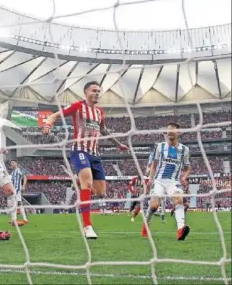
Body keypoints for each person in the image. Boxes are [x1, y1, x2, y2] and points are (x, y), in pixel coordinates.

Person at [43, 81, 128, 239]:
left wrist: (118, 145)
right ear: (86, 92)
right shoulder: (77, 107)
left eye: (98, 91)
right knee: (87, 184)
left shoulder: (100, 112)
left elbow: (103, 130)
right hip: (79, 150)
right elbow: (56, 115)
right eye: (94, 90)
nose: (97, 93)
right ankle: (87, 226)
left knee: (100, 192)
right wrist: (48, 123)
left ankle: (78, 179)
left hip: (95, 154)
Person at [142, 123, 191, 241]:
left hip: (173, 182)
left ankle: (180, 230)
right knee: (154, 206)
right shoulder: (160, 146)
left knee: (178, 200)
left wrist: (184, 177)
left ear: (178, 133)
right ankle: (146, 225)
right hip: (159, 181)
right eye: (168, 131)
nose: (169, 133)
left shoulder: (184, 150)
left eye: (172, 130)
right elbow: (154, 165)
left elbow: (187, 167)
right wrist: (150, 178)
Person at [10, 160, 28, 226]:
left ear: (16, 163)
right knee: (19, 203)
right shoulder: (12, 173)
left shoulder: (19, 170)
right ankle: (24, 219)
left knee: (15, 204)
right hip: (13, 190)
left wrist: (23, 186)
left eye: (13, 163)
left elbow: (25, 177)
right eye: (11, 163)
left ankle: (14, 220)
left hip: (17, 190)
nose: (11, 164)